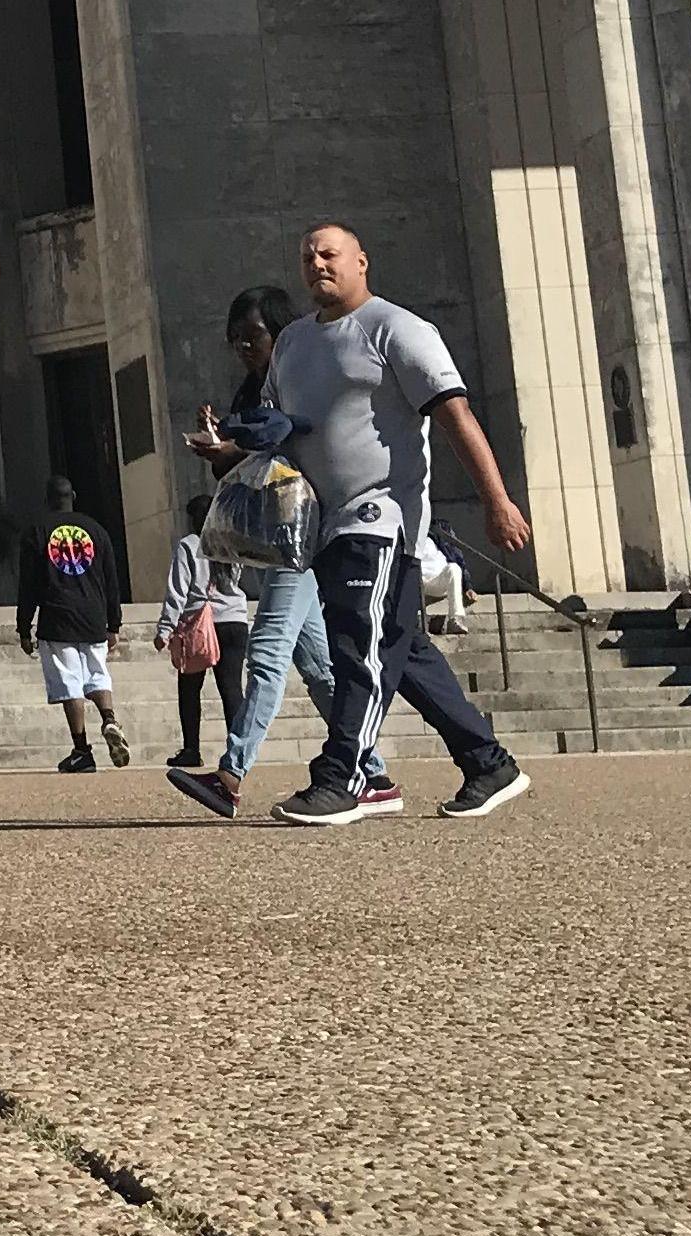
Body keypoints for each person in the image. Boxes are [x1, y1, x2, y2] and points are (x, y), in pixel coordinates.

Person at [234, 223, 534, 828]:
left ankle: (343, 775)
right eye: (307, 256)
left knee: (358, 648)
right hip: (320, 522)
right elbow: (276, 419)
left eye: (329, 253)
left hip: (380, 517)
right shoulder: (292, 342)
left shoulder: (398, 329)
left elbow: (456, 416)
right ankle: (487, 762)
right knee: (401, 647)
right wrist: (232, 443)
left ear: (361, 262)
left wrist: (497, 501)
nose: (317, 263)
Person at [166, 286, 369, 822]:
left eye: (252, 336)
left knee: (269, 651)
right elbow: (240, 472)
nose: (244, 347)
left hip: (303, 539)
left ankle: (232, 775)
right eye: (235, 340)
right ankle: (370, 767)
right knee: (318, 665)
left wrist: (238, 440)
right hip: (276, 536)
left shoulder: (299, 374)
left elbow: (293, 434)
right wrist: (221, 446)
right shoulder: (248, 391)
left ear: (279, 331)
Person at [16, 478, 129, 772]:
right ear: (73, 496)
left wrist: (23, 625)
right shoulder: (98, 531)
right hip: (93, 616)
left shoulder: (37, 531)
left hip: (57, 617)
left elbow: (28, 583)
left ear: (48, 499)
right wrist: (114, 622)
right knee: (98, 674)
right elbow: (111, 580)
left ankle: (81, 750)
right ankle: (109, 719)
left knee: (70, 683)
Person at [154, 496, 250, 775]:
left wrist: (165, 628)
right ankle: (238, 751)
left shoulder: (189, 545)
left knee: (189, 686)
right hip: (234, 619)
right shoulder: (230, 542)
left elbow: (178, 590)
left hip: (200, 623)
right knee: (231, 687)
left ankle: (191, 749)